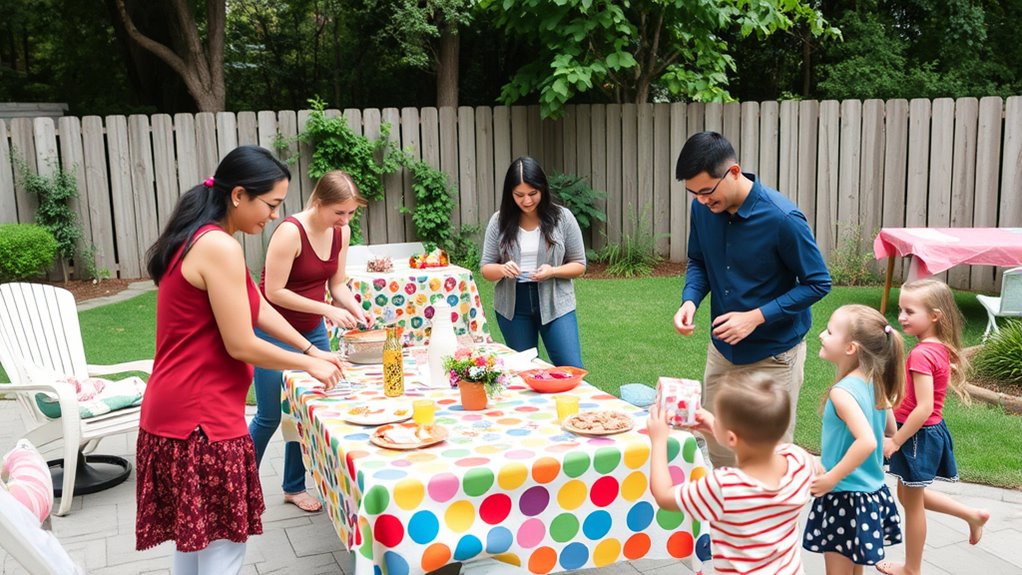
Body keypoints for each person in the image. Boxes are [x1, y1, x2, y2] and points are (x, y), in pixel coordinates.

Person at [137, 146, 344, 575]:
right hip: (202, 419)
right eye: (269, 205)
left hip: (173, 411)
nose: (273, 216)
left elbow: (259, 307)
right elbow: (241, 343)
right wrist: (307, 365)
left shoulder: (200, 236)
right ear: (237, 196)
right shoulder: (219, 247)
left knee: (193, 540)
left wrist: (311, 349)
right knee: (223, 549)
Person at [672, 131, 831, 467]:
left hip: (774, 356)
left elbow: (818, 283)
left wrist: (756, 316)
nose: (701, 201)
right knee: (718, 445)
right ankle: (728, 518)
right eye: (693, 193)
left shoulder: (783, 219)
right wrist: (690, 300)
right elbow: (699, 261)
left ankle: (772, 519)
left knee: (765, 458)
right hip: (722, 351)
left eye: (706, 191)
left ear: (733, 172)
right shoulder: (702, 210)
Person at [249, 170, 371, 513]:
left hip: (314, 332)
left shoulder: (340, 233)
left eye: (350, 213)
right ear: (318, 202)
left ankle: (292, 487)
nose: (345, 220)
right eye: (339, 213)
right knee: (271, 416)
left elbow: (337, 285)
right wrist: (327, 310)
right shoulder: (290, 232)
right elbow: (272, 292)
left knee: (303, 412)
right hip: (274, 332)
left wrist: (355, 310)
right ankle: (239, 487)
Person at [648, 371, 815, 575]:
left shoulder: (724, 487)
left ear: (732, 439)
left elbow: (664, 496)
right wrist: (714, 426)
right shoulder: (799, 460)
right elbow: (757, 447)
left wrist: (658, 441)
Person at [878, 279, 990, 575]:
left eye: (909, 311)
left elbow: (924, 406)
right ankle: (971, 514)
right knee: (907, 496)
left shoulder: (921, 353)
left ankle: (911, 568)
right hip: (923, 433)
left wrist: (896, 441)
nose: (901, 317)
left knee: (911, 505)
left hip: (915, 436)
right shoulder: (938, 348)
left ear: (935, 316)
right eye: (901, 309)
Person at [803, 304, 905, 573]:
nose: (822, 335)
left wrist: (831, 477)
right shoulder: (876, 381)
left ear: (851, 348)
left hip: (844, 497)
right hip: (870, 494)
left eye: (830, 331)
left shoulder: (842, 392)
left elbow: (869, 441)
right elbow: (890, 430)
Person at [480, 156, 586, 368]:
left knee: (571, 368)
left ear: (543, 189)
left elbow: (580, 265)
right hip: (513, 306)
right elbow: (486, 268)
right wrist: (502, 269)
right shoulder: (498, 221)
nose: (527, 201)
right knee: (523, 370)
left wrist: (552, 271)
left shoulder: (562, 218)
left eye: (532, 194)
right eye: (519, 195)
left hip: (556, 303)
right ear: (510, 194)